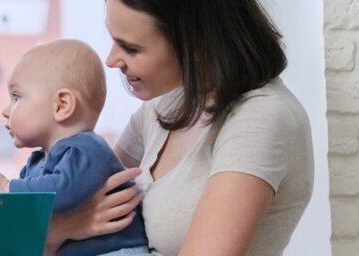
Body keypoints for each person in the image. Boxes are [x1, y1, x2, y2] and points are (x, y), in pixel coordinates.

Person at [49, 0, 314, 255]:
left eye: (130, 48)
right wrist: (63, 230)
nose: (111, 60)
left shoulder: (261, 119)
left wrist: (60, 231)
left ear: (197, 42)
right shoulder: (162, 106)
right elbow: (83, 202)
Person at [0, 39, 149, 256]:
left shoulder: (87, 149)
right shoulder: (39, 161)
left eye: (16, 97)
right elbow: (28, 214)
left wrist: (5, 186)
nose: (5, 110)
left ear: (62, 105)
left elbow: (60, 193)